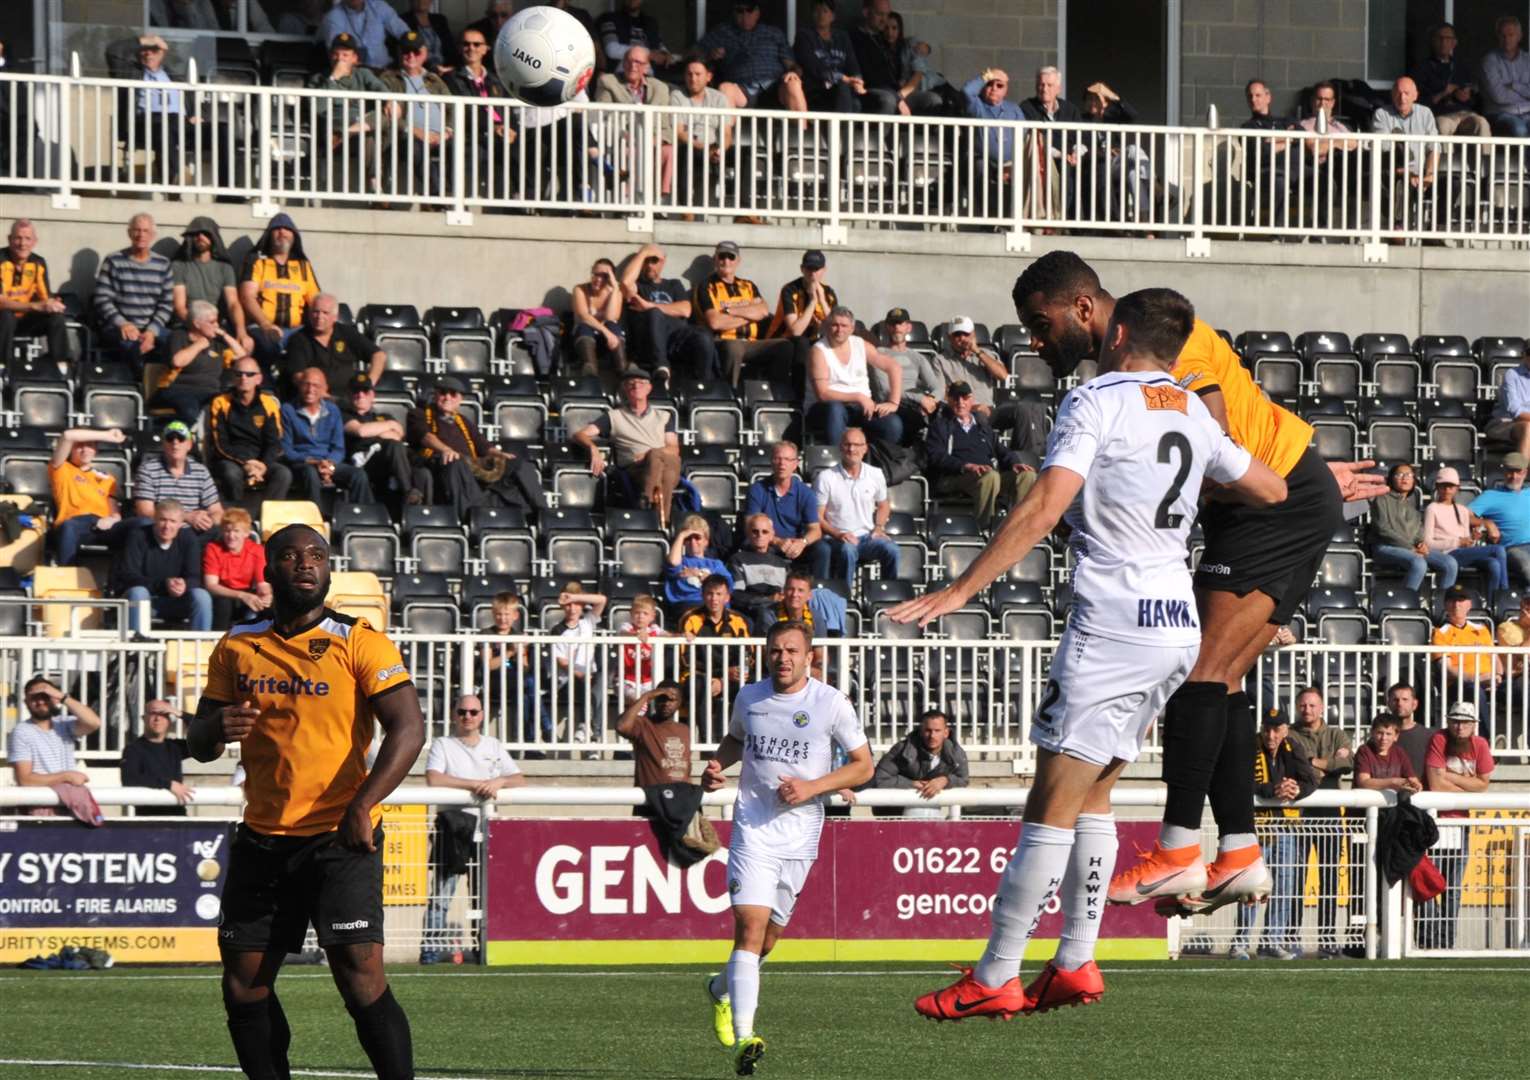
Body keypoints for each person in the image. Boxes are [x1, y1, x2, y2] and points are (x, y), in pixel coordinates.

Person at [888, 288, 1284, 1020]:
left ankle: (996, 973)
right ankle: (1074, 959)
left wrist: (960, 588)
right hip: (1173, 626)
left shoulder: (1098, 398)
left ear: (1121, 330)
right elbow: (1269, 484)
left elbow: (1043, 504)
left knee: (1052, 801)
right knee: (1096, 790)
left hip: (1114, 622)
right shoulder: (1193, 406)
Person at [1009, 251, 1384, 920]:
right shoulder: (1128, 366)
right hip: (1291, 491)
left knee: (1200, 675)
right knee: (1224, 681)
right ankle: (1237, 851)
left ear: (1087, 310)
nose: (1037, 342)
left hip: (1272, 501)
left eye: (1042, 324)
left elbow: (1213, 433)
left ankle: (1179, 848)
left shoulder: (1164, 354)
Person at [187, 523, 424, 1080]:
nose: (304, 563)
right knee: (244, 982)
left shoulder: (359, 640)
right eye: (290, 555)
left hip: (340, 834)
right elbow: (197, 742)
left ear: (329, 569)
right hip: (263, 836)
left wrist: (363, 805)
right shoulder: (238, 644)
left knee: (359, 972)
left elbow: (408, 728)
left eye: (316, 554)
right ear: (268, 569)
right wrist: (216, 726)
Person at [701, 620, 873, 1072]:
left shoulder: (831, 703)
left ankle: (720, 988)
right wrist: (719, 763)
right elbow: (738, 739)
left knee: (769, 941)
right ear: (767, 654)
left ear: (809, 656)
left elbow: (863, 766)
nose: (784, 658)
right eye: (776, 650)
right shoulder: (750, 698)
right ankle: (745, 1037)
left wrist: (813, 786)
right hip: (753, 830)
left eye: (792, 651)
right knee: (750, 931)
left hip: (800, 835)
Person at [421, 692, 524, 964]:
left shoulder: (493, 745)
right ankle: (429, 952)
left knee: (484, 895)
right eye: (462, 711)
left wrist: (498, 782)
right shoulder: (443, 744)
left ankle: (483, 950)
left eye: (473, 712)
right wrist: (476, 785)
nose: (468, 717)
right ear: (454, 714)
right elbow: (434, 778)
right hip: (453, 826)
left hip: (487, 828)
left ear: (481, 716)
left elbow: (518, 779)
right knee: (443, 892)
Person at [1229, 708, 1315, 960]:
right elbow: (1240, 781)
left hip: (1286, 828)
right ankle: (1240, 943)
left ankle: (1272, 941)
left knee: (1284, 885)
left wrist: (1294, 789)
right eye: (1267, 728)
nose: (1271, 735)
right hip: (1256, 826)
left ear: (1285, 730)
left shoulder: (1293, 748)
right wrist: (1272, 789)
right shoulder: (1248, 747)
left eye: (1277, 729)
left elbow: (1310, 780)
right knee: (1250, 885)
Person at [406, 375, 544, 522]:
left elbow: (484, 446)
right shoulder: (419, 413)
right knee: (456, 463)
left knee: (520, 464)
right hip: (444, 464)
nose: (447, 397)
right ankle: (471, 520)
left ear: (460, 400)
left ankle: (543, 512)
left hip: (473, 465)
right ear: (435, 395)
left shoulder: (463, 420)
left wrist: (500, 454)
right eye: (443, 393)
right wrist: (445, 450)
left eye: (453, 394)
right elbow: (426, 437)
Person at [1286, 686, 1353, 958]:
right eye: (1303, 705)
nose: (1307, 710)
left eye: (1313, 705)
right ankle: (1291, 937)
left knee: (1328, 876)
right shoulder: (1288, 734)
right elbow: (1291, 767)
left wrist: (1311, 762)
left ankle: (1327, 938)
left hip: (1329, 813)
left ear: (1322, 707)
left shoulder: (1336, 734)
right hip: (1298, 813)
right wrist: (1325, 763)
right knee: (1295, 876)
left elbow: (1347, 764)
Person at [1421, 700, 1494, 949]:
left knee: (1452, 887)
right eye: (1455, 721)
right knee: (1431, 881)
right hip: (1436, 821)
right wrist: (1465, 781)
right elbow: (1435, 784)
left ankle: (1447, 941)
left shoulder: (1480, 745)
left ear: (1474, 725)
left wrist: (1448, 775)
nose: (1459, 726)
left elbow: (1483, 785)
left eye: (1464, 722)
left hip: (1460, 823)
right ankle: (1428, 939)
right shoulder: (1439, 739)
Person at [573, 367, 682, 528]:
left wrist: (650, 454)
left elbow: (673, 448)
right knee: (667, 472)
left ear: (649, 388)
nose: (636, 386)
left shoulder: (664, 416)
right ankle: (661, 522)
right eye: (631, 384)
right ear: (625, 389)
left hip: (663, 460)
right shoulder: (614, 416)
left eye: (641, 383)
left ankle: (647, 510)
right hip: (635, 468)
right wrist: (593, 449)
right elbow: (579, 434)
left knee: (662, 460)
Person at [926, 380, 1036, 530]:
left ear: (971, 400)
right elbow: (936, 456)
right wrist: (966, 466)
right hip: (954, 477)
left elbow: (1001, 450)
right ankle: (984, 528)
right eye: (955, 398)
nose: (960, 402)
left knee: (1027, 476)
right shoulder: (941, 425)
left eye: (964, 398)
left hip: (986, 475)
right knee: (991, 476)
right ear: (949, 400)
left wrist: (1014, 463)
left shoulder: (982, 426)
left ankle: (1018, 528)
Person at [695, 241, 792, 386]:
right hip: (723, 341)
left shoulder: (749, 286)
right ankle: (729, 394)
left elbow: (764, 311)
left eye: (731, 257)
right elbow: (715, 322)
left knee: (785, 346)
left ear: (738, 261)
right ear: (715, 259)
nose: (726, 261)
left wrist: (730, 311)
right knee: (734, 347)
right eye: (722, 256)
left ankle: (775, 395)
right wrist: (751, 316)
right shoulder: (706, 286)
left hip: (753, 343)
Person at [620, 242, 719, 383]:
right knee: (654, 314)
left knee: (703, 334)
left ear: (663, 261)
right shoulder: (639, 286)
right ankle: (661, 369)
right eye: (646, 260)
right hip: (649, 340)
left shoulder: (673, 284)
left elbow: (685, 310)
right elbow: (625, 283)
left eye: (654, 260)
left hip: (676, 336)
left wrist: (649, 305)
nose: (649, 265)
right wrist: (643, 253)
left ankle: (704, 384)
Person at [307, 32, 394, 194]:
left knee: (382, 119)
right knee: (369, 132)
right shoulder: (319, 79)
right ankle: (374, 182)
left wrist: (389, 100)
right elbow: (318, 109)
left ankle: (346, 133)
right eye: (336, 54)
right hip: (333, 126)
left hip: (355, 128)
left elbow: (381, 89)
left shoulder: (363, 74)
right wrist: (333, 79)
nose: (340, 59)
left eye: (345, 55)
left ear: (355, 58)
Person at [110, 499, 214, 633]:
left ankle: (200, 646)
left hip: (174, 601)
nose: (167, 526)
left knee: (201, 595)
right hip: (142, 601)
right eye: (162, 520)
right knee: (138, 592)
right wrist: (164, 584)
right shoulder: (138, 535)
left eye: (173, 521)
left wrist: (184, 585)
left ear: (181, 524)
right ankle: (135, 649)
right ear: (154, 519)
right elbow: (129, 576)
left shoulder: (188, 539)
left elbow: (194, 577)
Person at [805, 306, 904, 446]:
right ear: (827, 327)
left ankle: (878, 462)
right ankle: (839, 461)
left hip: (860, 408)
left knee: (892, 424)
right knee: (835, 409)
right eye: (835, 325)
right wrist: (859, 397)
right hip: (824, 408)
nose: (839, 330)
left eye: (844, 325)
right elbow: (823, 394)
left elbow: (894, 367)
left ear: (852, 328)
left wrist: (893, 402)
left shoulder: (860, 344)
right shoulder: (819, 350)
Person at [814, 427, 896, 588]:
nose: (852, 449)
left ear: (865, 448)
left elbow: (883, 505)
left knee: (892, 550)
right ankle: (845, 596)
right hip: (836, 538)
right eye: (847, 444)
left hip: (866, 538)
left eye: (857, 445)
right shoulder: (826, 477)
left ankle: (888, 595)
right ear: (840, 447)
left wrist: (879, 527)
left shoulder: (876, 474)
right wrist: (838, 534)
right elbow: (817, 516)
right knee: (848, 550)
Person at [207, 355, 294, 506]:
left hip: (260, 460)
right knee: (231, 473)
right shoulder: (220, 402)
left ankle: (265, 517)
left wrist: (262, 466)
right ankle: (237, 518)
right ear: (233, 378)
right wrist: (246, 463)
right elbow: (220, 443)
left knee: (283, 474)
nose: (244, 378)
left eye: (249, 374)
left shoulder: (268, 403)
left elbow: (274, 442)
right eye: (239, 374)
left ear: (258, 379)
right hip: (231, 459)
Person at [94, 213, 174, 373]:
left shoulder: (163, 264)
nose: (141, 235)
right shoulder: (113, 261)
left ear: (153, 235)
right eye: (137, 230)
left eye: (146, 231)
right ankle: (138, 394)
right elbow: (102, 299)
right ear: (129, 233)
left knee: (177, 346)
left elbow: (166, 304)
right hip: (119, 327)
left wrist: (152, 331)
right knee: (133, 350)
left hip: (152, 328)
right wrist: (124, 324)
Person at [280, 368, 373, 506]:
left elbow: (339, 448)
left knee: (358, 475)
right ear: (299, 386)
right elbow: (287, 450)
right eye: (306, 384)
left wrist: (329, 464)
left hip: (328, 463)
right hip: (303, 463)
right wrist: (313, 462)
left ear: (324, 389)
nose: (310, 389)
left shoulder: (333, 410)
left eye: (316, 385)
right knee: (310, 474)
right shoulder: (287, 410)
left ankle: (363, 518)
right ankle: (317, 520)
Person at [240, 214, 319, 371]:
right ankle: (266, 389)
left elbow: (316, 301)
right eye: (277, 229)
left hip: (297, 330)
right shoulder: (257, 261)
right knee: (266, 348)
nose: (282, 232)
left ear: (294, 236)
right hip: (262, 328)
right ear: (269, 235)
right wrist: (266, 325)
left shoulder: (304, 266)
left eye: (287, 229)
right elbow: (247, 296)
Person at [679, 573, 751, 744]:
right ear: (703, 595)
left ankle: (731, 742)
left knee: (751, 685)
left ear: (727, 597)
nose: (714, 599)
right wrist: (717, 675)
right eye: (710, 594)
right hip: (698, 676)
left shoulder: (738, 621)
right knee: (700, 685)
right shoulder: (692, 618)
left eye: (719, 594)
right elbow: (686, 658)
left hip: (730, 677)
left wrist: (725, 678)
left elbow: (748, 655)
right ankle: (707, 743)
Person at [698, 1, 807, 113]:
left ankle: (802, 130)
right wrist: (710, 55)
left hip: (775, 87)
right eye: (740, 11)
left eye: (749, 10)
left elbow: (793, 65)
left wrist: (794, 72)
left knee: (793, 83)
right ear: (734, 13)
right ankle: (726, 130)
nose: (745, 15)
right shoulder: (723, 32)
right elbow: (693, 54)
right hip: (742, 88)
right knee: (725, 89)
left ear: (757, 13)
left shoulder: (773, 33)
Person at [379, 31, 453, 196]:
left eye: (416, 52)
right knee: (414, 147)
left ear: (424, 53)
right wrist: (417, 132)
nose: (411, 56)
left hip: (441, 135)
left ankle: (457, 195)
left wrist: (448, 131)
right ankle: (439, 194)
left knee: (464, 147)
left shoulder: (434, 79)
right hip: (409, 135)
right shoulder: (389, 79)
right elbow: (388, 115)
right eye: (406, 51)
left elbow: (452, 107)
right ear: (399, 53)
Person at [342, 373, 431, 509]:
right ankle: (407, 491)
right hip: (364, 463)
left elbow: (399, 434)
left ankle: (424, 515)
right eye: (356, 391)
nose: (360, 395)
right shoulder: (344, 415)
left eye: (365, 391)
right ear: (349, 394)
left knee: (423, 473)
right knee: (393, 446)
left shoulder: (384, 417)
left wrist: (376, 433)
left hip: (388, 460)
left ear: (372, 395)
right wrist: (387, 428)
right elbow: (361, 431)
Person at [153, 299, 245, 425]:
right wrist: (198, 345)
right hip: (179, 389)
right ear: (197, 324)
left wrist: (224, 335)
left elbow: (242, 357)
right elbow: (178, 361)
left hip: (211, 392)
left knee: (231, 409)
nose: (217, 325)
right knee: (190, 410)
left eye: (217, 321)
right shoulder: (178, 336)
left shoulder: (217, 343)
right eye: (212, 322)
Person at [477, 592, 551, 748]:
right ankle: (546, 726)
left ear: (515, 616)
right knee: (529, 684)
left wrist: (521, 651)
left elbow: (524, 667)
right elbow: (488, 665)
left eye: (506, 614)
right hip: (494, 681)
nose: (503, 618)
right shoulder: (487, 634)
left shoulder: (518, 635)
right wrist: (510, 651)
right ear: (493, 614)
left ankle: (525, 744)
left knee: (525, 696)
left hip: (516, 681)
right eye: (499, 614)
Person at [1369, 463, 1458, 591]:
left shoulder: (1412, 504)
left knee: (1450, 563)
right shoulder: (1382, 499)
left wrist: (1420, 543)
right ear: (1391, 479)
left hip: (1412, 548)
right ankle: (1406, 601)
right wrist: (1410, 547)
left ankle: (1444, 604)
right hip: (1385, 547)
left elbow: (1418, 530)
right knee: (1419, 563)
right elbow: (1383, 529)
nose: (1404, 478)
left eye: (1409, 475)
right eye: (1399, 475)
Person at [132, 420, 225, 541]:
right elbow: (145, 512)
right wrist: (186, 517)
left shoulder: (201, 471)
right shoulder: (148, 470)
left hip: (194, 532)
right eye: (170, 438)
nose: (175, 443)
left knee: (222, 530)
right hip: (163, 530)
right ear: (164, 443)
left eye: (181, 438)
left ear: (189, 445)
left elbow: (217, 511)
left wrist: (207, 520)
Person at [281, 293, 386, 400]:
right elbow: (298, 376)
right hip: (316, 401)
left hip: (349, 400)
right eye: (315, 312)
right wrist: (324, 396)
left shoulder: (347, 333)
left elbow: (379, 355)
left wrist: (368, 385)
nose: (319, 317)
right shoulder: (298, 339)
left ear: (334, 317)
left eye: (325, 313)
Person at [48, 426, 128, 566]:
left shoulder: (107, 479)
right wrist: (106, 435)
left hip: (101, 525)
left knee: (140, 526)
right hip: (74, 523)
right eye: (79, 446)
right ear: (71, 449)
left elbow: (115, 513)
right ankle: (67, 576)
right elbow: (67, 435)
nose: (85, 450)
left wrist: (112, 520)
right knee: (69, 527)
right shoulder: (61, 469)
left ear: (96, 450)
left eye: (90, 445)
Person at [1422, 465, 1509, 594]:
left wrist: (1472, 539)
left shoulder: (1462, 510)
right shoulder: (1432, 508)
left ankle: (1493, 603)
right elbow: (1428, 543)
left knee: (1494, 565)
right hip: (1446, 553)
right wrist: (1457, 542)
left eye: (1451, 486)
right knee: (1499, 550)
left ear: (1457, 488)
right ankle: (1504, 594)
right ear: (1437, 487)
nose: (1447, 489)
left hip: (1462, 553)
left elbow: (1466, 542)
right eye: (1443, 486)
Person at [7, 675, 102, 791]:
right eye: (35, 698)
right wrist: (66, 776)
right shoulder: (21, 732)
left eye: (45, 696)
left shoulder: (64, 724)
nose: (41, 701)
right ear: (26, 702)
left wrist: (63, 697)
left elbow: (94, 722)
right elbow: (25, 780)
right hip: (41, 803)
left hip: (69, 799)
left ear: (54, 698)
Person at [741, 441, 825, 571]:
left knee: (822, 550)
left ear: (796, 464)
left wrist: (802, 543)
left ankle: (817, 589)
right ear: (771, 462)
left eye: (787, 459)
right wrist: (777, 541)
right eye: (777, 459)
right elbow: (750, 526)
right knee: (758, 544)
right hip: (768, 543)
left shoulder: (806, 493)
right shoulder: (757, 490)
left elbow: (815, 530)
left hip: (796, 546)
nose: (782, 464)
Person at [867, 709, 969, 817]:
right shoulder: (902, 750)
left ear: (946, 733)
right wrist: (912, 784)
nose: (932, 736)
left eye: (937, 730)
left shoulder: (956, 753)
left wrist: (945, 780)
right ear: (921, 730)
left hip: (930, 814)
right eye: (928, 730)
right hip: (892, 814)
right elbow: (878, 779)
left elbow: (963, 779)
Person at [171, 217, 250, 351]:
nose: (201, 237)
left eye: (206, 233)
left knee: (243, 350)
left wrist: (242, 332)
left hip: (216, 325)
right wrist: (199, 326)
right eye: (196, 234)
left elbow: (233, 304)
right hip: (187, 325)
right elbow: (179, 307)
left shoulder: (225, 268)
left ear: (214, 237)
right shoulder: (179, 266)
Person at [1, 218, 71, 368]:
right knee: (5, 315)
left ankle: (61, 367)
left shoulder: (38, 262)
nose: (22, 244)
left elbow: (45, 297)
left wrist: (53, 304)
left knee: (56, 317)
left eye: (27, 238)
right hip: (3, 320)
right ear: (9, 239)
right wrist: (35, 306)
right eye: (18, 238)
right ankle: (2, 367)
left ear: (34, 241)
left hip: (25, 320)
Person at [1370, 77, 1438, 228]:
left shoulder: (1425, 113)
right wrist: (1405, 172)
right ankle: (1398, 228)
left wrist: (1429, 175)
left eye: (1407, 93)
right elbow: (1385, 149)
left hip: (1421, 171)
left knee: (1451, 184)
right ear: (1392, 95)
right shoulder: (1382, 114)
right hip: (1393, 171)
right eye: (1398, 93)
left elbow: (1434, 147)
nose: (1402, 98)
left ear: (1415, 95)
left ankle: (1434, 231)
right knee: (1402, 183)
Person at [795, 0, 884, 114]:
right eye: (816, 11)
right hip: (817, 89)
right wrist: (843, 78)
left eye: (825, 11)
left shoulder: (842, 37)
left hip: (843, 90)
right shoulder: (804, 36)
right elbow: (814, 67)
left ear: (833, 16)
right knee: (845, 89)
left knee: (860, 102)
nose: (820, 15)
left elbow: (853, 64)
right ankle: (842, 131)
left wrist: (858, 81)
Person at [1018, 66, 1084, 221]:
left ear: (1058, 88)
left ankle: (1064, 220)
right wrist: (1061, 155)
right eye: (1041, 84)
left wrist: (1076, 153)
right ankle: (1054, 221)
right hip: (1040, 158)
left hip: (1069, 159)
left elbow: (1081, 137)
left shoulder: (1070, 109)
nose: (1044, 88)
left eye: (1049, 85)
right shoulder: (1027, 107)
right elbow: (1032, 140)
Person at [670, 58, 736, 210]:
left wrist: (719, 150)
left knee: (747, 155)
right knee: (687, 152)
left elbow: (726, 133)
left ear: (709, 77)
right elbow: (680, 132)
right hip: (690, 145)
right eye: (689, 74)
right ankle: (686, 209)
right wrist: (701, 147)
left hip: (714, 147)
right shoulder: (677, 96)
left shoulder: (719, 98)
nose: (693, 78)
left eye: (698, 74)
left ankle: (746, 211)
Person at [767, 250, 839, 388]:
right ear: (802, 269)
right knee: (802, 342)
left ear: (824, 270)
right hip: (783, 340)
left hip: (812, 340)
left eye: (816, 269)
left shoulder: (828, 292)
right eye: (809, 269)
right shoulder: (789, 290)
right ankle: (799, 394)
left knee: (836, 342)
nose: (812, 274)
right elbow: (795, 331)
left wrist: (822, 301)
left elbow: (836, 326)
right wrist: (813, 301)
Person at [927, 316, 1012, 433]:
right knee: (978, 416)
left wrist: (977, 351)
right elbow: (940, 394)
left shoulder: (985, 355)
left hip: (989, 409)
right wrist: (971, 407)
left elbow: (1003, 375)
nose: (962, 338)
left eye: (966, 334)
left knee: (1026, 411)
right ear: (949, 337)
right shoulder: (940, 360)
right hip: (961, 411)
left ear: (973, 335)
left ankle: (1026, 451)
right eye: (957, 335)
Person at [550, 584, 608, 747]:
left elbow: (602, 600)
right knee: (587, 683)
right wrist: (579, 673)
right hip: (568, 679)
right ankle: (587, 727)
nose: (572, 608)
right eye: (568, 604)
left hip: (590, 675)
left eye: (576, 604)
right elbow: (561, 661)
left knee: (601, 681)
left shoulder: (588, 622)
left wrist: (574, 597)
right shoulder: (557, 630)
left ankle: (591, 731)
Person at [1409, 22, 1490, 137]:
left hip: (1464, 114)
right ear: (1433, 41)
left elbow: (1474, 99)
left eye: (1448, 38)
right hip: (1440, 114)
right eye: (1439, 38)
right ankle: (1442, 155)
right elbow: (1417, 102)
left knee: (1482, 123)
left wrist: (1465, 97)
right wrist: (1443, 93)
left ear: (1454, 43)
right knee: (1443, 125)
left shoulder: (1461, 67)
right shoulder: (1422, 68)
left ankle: (1484, 155)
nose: (1443, 42)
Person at [1461, 454, 1530, 585]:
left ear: (1525, 473)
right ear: (1503, 471)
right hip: (1514, 547)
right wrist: (1487, 523)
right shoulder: (1491, 495)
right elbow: (1462, 515)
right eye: (1510, 471)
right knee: (1528, 566)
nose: (1514, 477)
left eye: (1518, 472)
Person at [875, 307, 944, 438]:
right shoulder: (878, 354)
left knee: (948, 413)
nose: (897, 327)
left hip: (919, 406)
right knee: (912, 418)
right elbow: (884, 390)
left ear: (908, 327)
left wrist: (930, 400)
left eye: (900, 323)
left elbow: (937, 387)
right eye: (893, 324)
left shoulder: (917, 358)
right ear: (887, 327)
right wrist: (920, 399)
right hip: (893, 404)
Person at [120, 699, 194, 816]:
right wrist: (168, 784)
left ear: (169, 720)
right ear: (144, 718)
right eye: (153, 713)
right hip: (149, 822)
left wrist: (179, 713)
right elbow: (130, 779)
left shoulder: (175, 747)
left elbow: (210, 737)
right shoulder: (133, 749)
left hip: (178, 818)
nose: (157, 719)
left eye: (163, 714)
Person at [1432, 583, 1501, 708]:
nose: (1456, 605)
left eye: (1461, 600)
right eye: (1452, 601)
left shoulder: (1482, 629)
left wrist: (1497, 676)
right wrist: (1476, 679)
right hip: (1460, 684)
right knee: (1475, 691)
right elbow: (1447, 669)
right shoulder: (1440, 633)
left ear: (1469, 604)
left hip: (1490, 680)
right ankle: (1485, 729)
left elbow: (1495, 658)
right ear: (1445, 605)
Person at [203, 507, 271, 630]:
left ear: (246, 533)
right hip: (223, 595)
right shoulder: (213, 549)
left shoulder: (256, 550)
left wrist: (266, 595)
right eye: (227, 531)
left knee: (266, 605)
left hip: (247, 593)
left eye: (236, 531)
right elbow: (211, 585)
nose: (231, 536)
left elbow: (262, 584)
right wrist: (242, 595)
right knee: (223, 604)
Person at [616, 680, 692, 791]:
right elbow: (621, 726)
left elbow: (686, 768)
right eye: (662, 699)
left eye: (672, 700)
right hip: (650, 800)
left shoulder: (684, 730)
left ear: (680, 703)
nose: (666, 704)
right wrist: (646, 697)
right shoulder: (642, 724)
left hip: (680, 799)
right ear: (655, 700)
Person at [1240, 78, 1296, 224]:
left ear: (1268, 97)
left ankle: (1317, 235)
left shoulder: (1283, 121)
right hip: (1265, 173)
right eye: (1250, 96)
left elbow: (1299, 134)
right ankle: (1277, 233)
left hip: (1294, 171)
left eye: (1257, 95)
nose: (1253, 99)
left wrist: (1272, 140)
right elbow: (1261, 152)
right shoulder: (1248, 127)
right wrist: (1287, 140)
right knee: (1280, 182)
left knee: (1323, 181)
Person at [728, 514, 792, 631]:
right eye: (755, 531)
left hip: (780, 610)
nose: (760, 535)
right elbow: (737, 596)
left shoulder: (782, 564)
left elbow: (787, 592)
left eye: (765, 532)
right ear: (748, 533)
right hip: (752, 611)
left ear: (772, 535)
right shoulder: (738, 560)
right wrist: (769, 599)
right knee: (765, 613)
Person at [571, 258, 628, 389]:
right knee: (585, 326)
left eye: (605, 276)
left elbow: (611, 317)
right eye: (596, 274)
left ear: (612, 277)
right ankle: (591, 377)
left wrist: (614, 290)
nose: (598, 279)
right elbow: (584, 316)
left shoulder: (615, 292)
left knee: (613, 326)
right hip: (584, 340)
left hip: (608, 343)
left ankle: (623, 375)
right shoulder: (580, 289)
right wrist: (607, 333)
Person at [665, 515, 733, 619]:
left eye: (697, 538)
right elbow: (673, 563)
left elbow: (727, 586)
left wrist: (700, 574)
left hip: (714, 605)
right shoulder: (680, 562)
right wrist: (682, 535)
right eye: (688, 538)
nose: (693, 542)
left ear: (706, 541)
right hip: (686, 605)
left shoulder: (715, 564)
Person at [319, 0, 411, 71]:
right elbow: (337, 57)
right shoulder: (333, 16)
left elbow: (405, 33)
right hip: (354, 74)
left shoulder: (379, 6)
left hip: (386, 70)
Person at [1480, 15, 1530, 138]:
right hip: (1500, 113)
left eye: (1511, 35)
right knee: (1520, 129)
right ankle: (1522, 158)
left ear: (1519, 36)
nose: (1506, 39)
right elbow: (1499, 96)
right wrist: (1525, 92)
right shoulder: (1489, 61)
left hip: (1528, 113)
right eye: (1503, 35)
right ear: (1498, 37)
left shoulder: (1528, 60)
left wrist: (1514, 86)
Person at [617, 594, 667, 707]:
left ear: (653, 616)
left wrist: (682, 634)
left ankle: (640, 722)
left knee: (654, 700)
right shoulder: (626, 627)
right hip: (627, 679)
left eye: (645, 613)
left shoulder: (654, 629)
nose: (640, 617)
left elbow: (668, 635)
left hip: (648, 679)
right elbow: (623, 633)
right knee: (638, 700)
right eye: (637, 613)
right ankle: (635, 722)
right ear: (631, 614)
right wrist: (637, 634)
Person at [1353, 712, 1422, 795]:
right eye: (1379, 733)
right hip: (1366, 805)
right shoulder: (1364, 751)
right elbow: (1363, 782)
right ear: (1372, 733)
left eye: (1388, 734)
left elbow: (1412, 779)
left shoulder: (1399, 752)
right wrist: (1393, 782)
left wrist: (1415, 785)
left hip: (1392, 805)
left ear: (1396, 736)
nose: (1384, 738)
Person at [598, 0, 674, 69]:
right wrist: (648, 54)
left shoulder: (651, 22)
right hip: (622, 73)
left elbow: (659, 45)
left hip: (650, 74)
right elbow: (611, 50)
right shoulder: (609, 18)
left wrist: (665, 54)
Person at [1487, 351, 1530, 458]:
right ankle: (1521, 472)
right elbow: (1517, 413)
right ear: (1524, 355)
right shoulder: (1512, 375)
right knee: (1527, 428)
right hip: (1505, 423)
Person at [1387, 681, 1433, 778]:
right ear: (1388, 704)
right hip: (1388, 791)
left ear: (1414, 704)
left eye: (1405, 699)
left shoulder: (1429, 736)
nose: (1400, 703)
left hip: (1422, 792)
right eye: (1395, 700)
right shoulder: (1380, 737)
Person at [401, 0, 458, 72]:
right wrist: (433, 68)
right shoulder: (403, 21)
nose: (421, 1)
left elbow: (450, 47)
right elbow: (407, 51)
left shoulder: (440, 20)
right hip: (418, 69)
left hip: (445, 69)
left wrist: (452, 67)